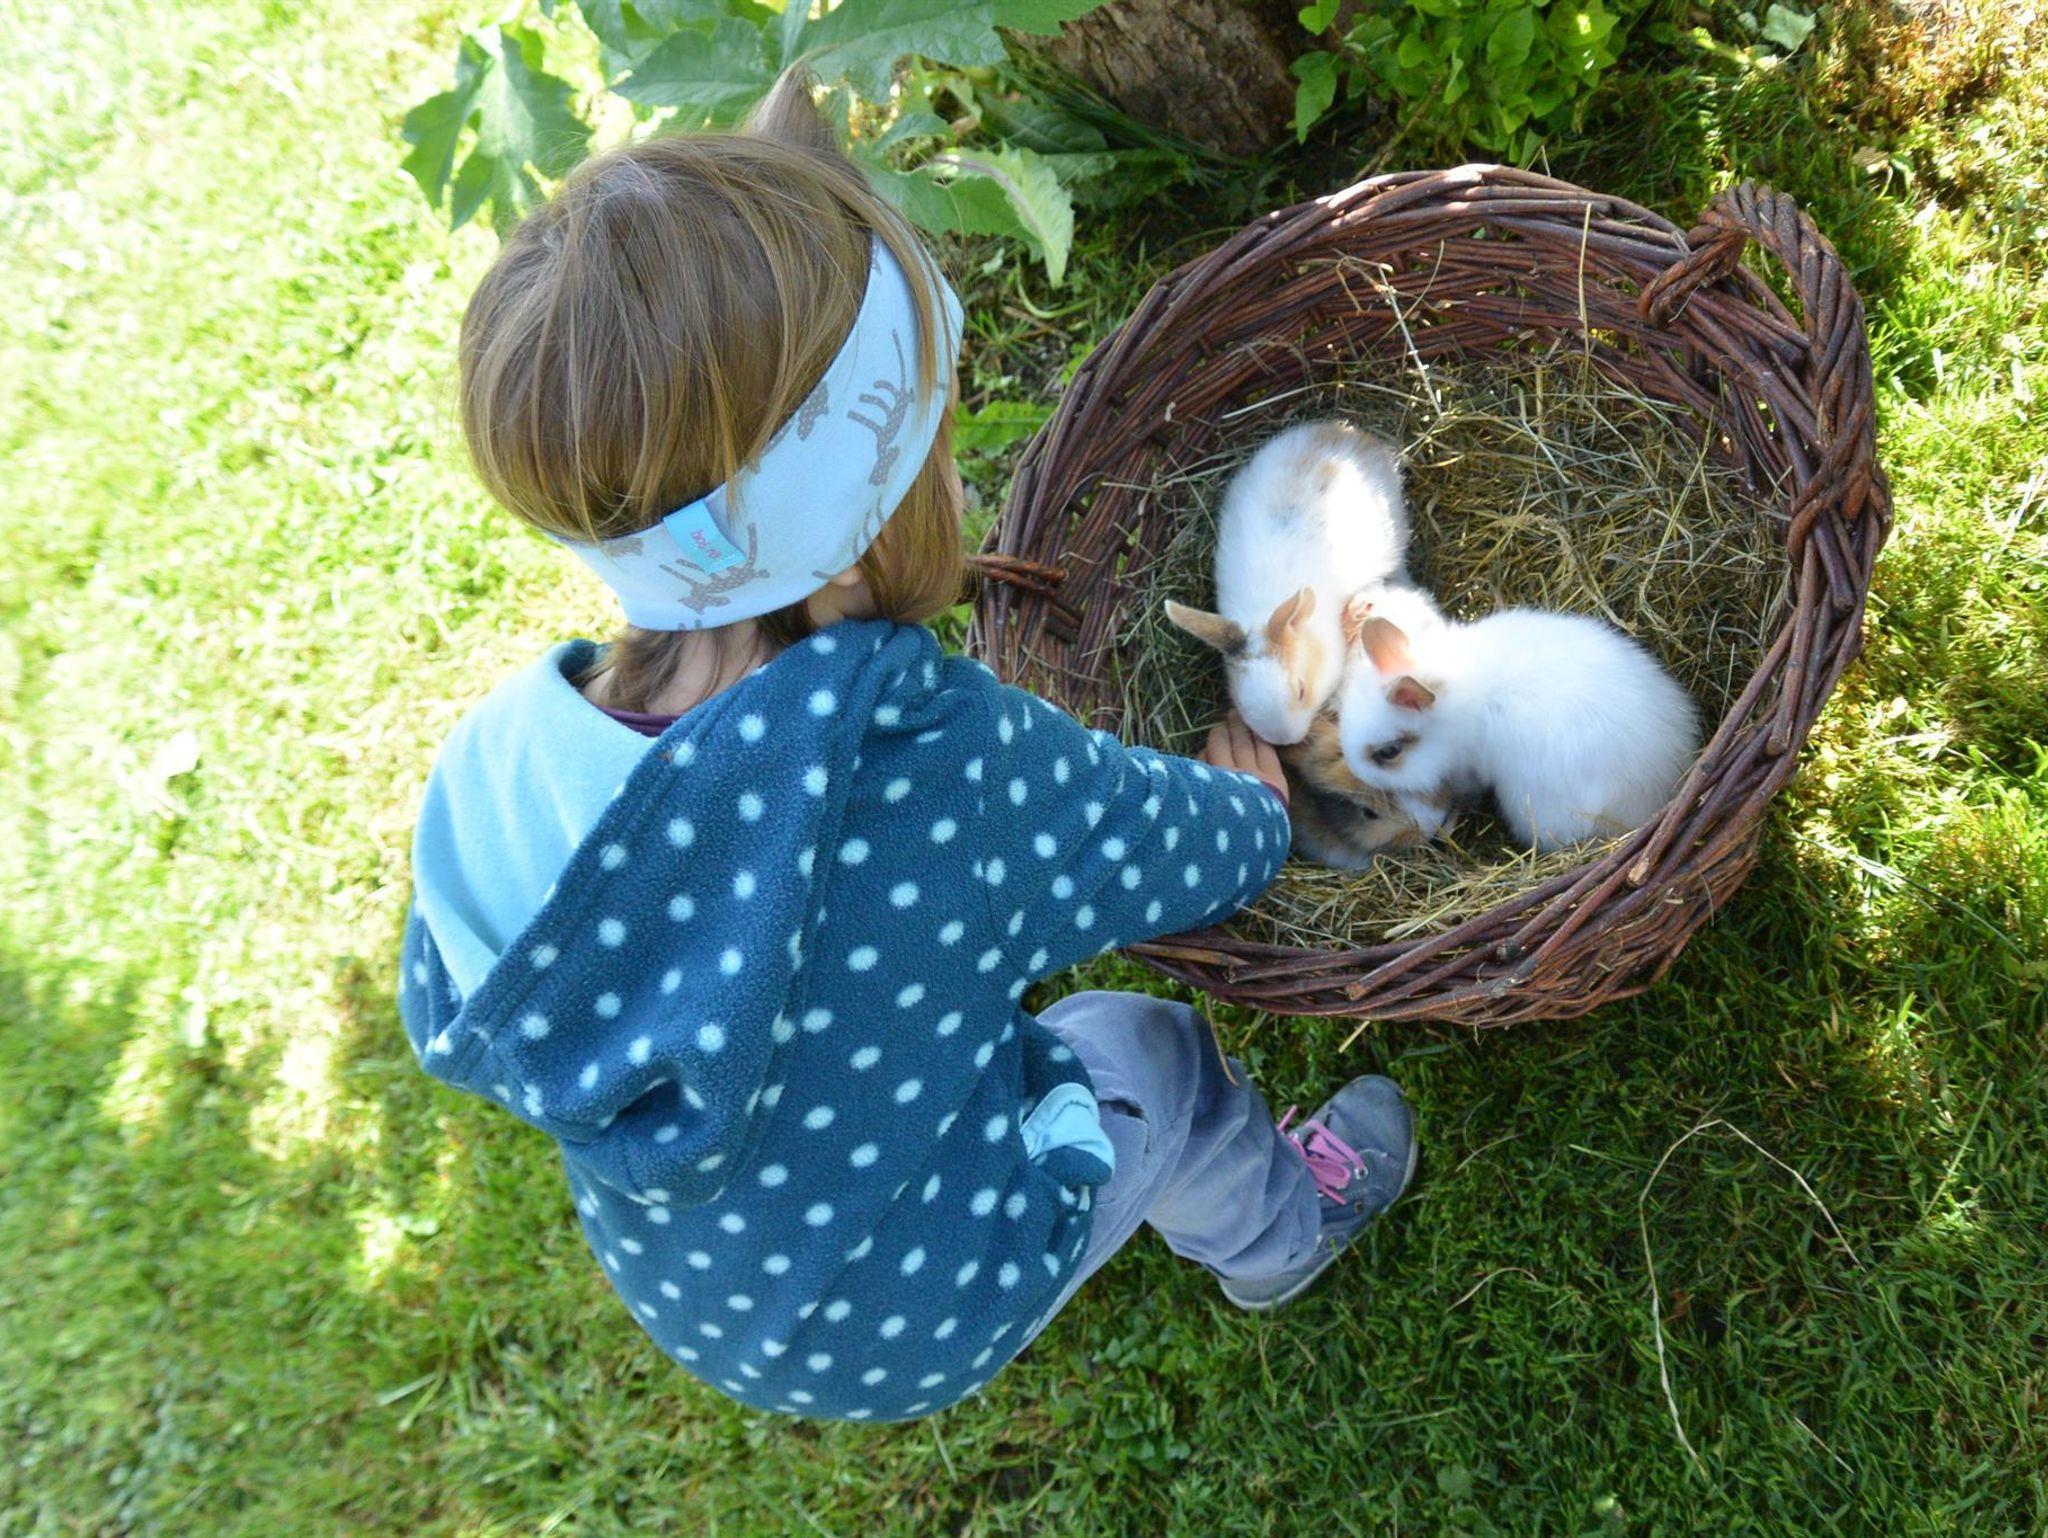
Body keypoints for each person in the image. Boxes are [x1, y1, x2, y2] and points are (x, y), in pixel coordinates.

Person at [397, 69, 1416, 1425]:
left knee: (926, 1015)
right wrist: (1247, 815)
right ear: (855, 525)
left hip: (703, 1282)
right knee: (1146, 1053)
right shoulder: (919, 761)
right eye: (932, 451)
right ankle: (1282, 1232)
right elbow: (1157, 852)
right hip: (919, 1295)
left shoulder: (496, 770)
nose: (956, 477)